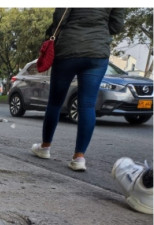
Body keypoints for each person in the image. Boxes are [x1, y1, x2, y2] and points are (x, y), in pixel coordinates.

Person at [30, 8, 125, 172]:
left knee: (55, 102)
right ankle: (79, 157)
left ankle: (45, 147)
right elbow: (117, 26)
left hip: (68, 50)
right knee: (87, 105)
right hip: (97, 53)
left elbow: (60, 17)